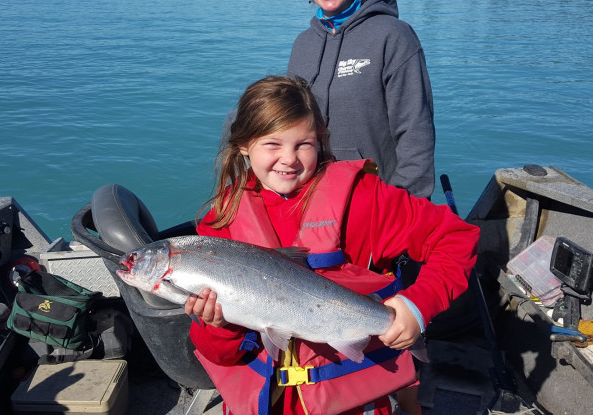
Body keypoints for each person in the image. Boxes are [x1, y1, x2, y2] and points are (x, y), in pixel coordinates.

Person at [185, 76, 478, 415]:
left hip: (352, 399)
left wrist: (417, 305)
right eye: (272, 145)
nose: (289, 159)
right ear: (244, 146)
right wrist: (217, 326)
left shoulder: (364, 199)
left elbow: (457, 236)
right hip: (265, 402)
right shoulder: (221, 223)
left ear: (320, 141)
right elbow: (220, 355)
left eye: (303, 144)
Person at [287, 0, 436, 200]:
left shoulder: (393, 35)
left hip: (377, 204)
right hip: (314, 203)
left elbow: (415, 134)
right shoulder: (302, 45)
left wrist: (406, 208)